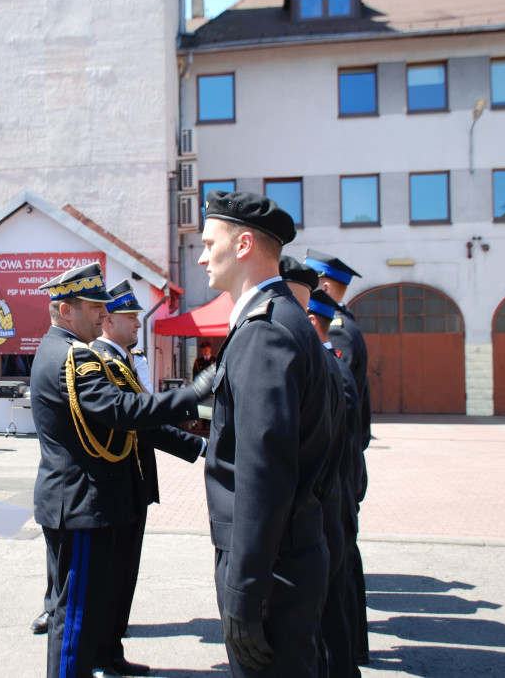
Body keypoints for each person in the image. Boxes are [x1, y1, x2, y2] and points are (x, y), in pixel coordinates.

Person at [30, 262, 214, 678]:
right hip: (79, 502)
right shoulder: (74, 357)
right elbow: (121, 410)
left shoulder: (58, 349)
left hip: (80, 499)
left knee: (86, 608)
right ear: (64, 311)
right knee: (74, 617)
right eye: (93, 306)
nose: (102, 313)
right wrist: (191, 395)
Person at [198, 190, 331, 677]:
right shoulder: (283, 320)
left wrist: (243, 591)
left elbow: (262, 474)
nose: (202, 254)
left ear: (245, 244)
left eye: (211, 242)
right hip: (287, 556)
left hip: (271, 570)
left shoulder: (264, 331)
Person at [89, 279, 206, 676]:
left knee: (124, 575)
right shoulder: (103, 362)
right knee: (113, 575)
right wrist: (200, 447)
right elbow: (143, 423)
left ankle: (112, 651)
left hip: (134, 482)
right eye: (130, 316)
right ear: (108, 321)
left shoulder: (121, 359)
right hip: (119, 483)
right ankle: (103, 655)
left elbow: (151, 414)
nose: (138, 322)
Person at [304, 248, 372, 667]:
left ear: (326, 288)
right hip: (343, 467)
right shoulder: (342, 326)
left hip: (339, 469)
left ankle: (349, 652)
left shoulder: (340, 332)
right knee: (343, 566)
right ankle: (352, 648)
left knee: (341, 569)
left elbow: (343, 412)